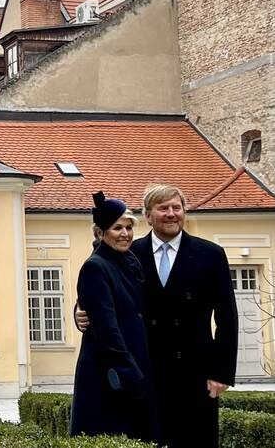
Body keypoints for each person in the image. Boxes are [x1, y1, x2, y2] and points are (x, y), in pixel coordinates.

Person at [76, 184, 238, 448]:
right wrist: (80, 314)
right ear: (148, 216)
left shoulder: (210, 254)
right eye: (163, 208)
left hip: (195, 371)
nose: (172, 214)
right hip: (146, 369)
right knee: (148, 439)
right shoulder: (128, 251)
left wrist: (221, 372)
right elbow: (98, 291)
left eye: (177, 208)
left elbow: (227, 318)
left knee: (197, 440)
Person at [70, 191, 159, 442]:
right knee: (111, 433)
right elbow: (106, 328)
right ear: (101, 233)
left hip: (133, 361)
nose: (125, 234)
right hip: (110, 369)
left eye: (129, 227)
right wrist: (131, 372)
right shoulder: (96, 266)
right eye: (117, 228)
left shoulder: (128, 259)